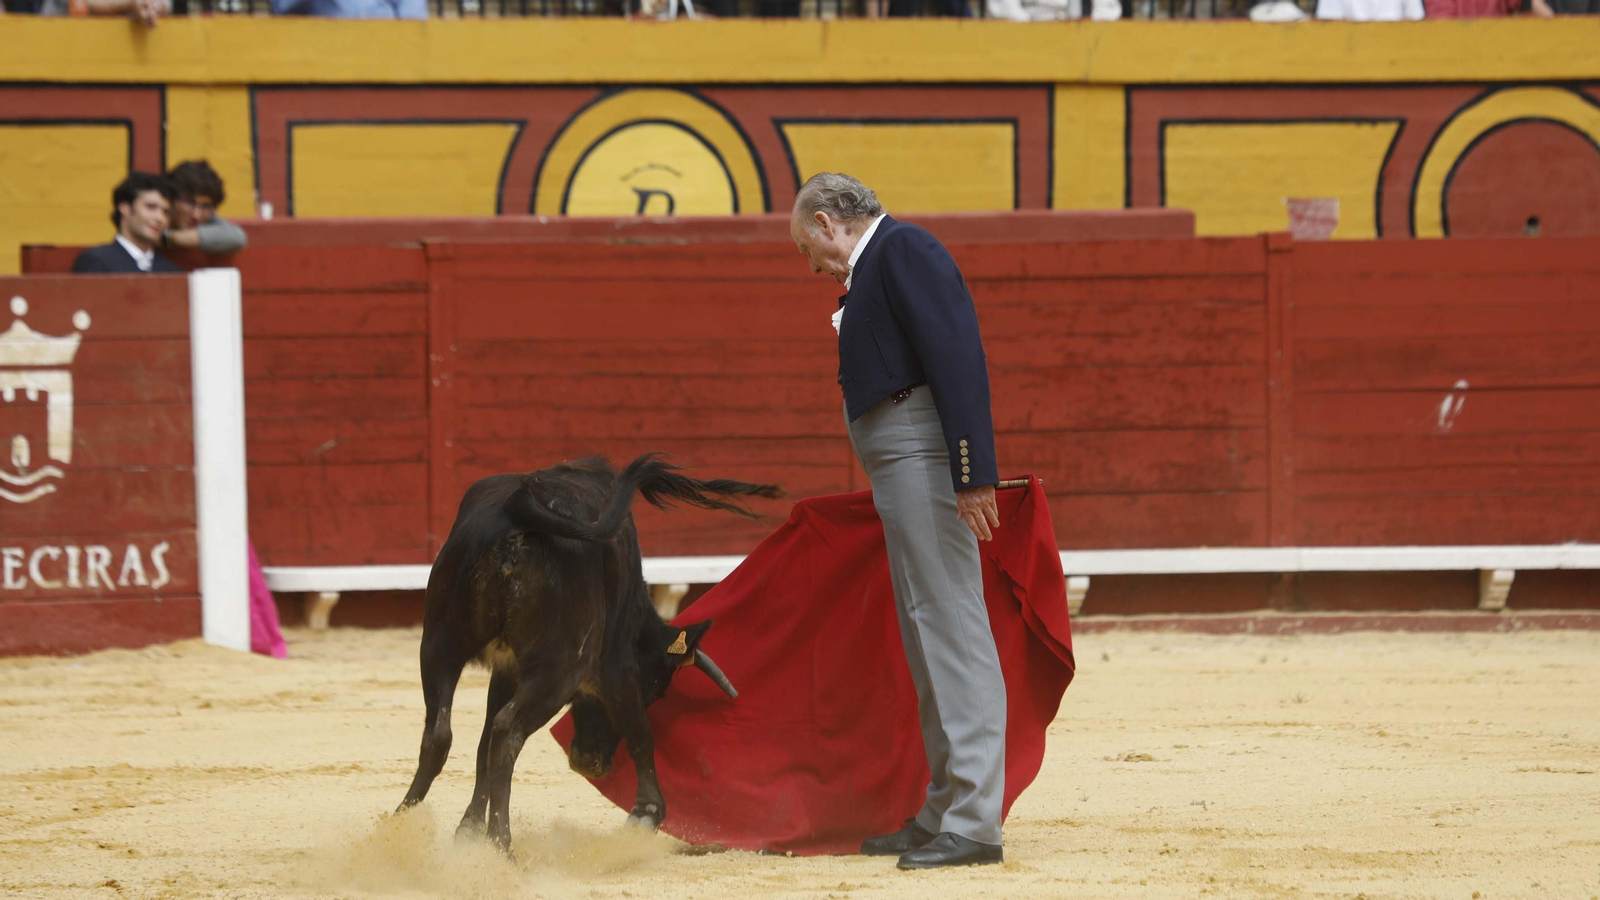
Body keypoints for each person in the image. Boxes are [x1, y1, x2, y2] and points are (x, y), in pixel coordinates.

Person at [790, 173, 1006, 871]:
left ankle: (975, 822)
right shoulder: (881, 263)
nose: (813, 266)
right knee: (926, 626)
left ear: (827, 223)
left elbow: (958, 354)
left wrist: (970, 470)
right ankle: (945, 807)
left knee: (950, 622)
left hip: (922, 456)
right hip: (902, 461)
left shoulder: (904, 248)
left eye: (808, 249)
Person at [72, 172, 184, 274]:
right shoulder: (96, 261)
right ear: (125, 208)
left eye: (166, 212)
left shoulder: (171, 270)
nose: (160, 218)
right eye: (151, 207)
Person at [164, 160, 248, 256]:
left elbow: (238, 238)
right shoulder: (156, 210)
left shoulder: (207, 215)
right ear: (171, 199)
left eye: (205, 206)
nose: (196, 215)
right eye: (189, 203)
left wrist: (169, 238)